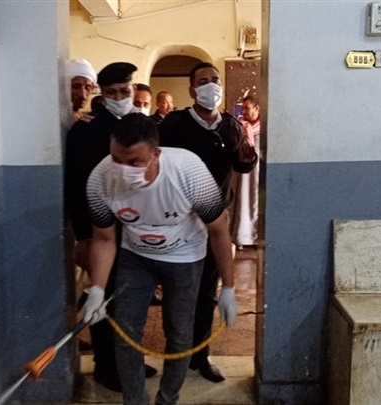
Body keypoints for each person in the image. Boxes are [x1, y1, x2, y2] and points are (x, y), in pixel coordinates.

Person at [81, 113, 238, 405]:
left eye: (135, 162)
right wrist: (97, 290)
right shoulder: (100, 180)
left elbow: (219, 231)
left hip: (185, 255)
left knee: (179, 333)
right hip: (136, 256)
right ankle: (134, 400)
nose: (123, 170)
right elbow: (103, 239)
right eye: (117, 159)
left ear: (156, 153)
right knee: (126, 333)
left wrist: (228, 287)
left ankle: (167, 400)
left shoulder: (188, 172)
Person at [158, 62, 258, 383]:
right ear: (192, 90)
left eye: (215, 80)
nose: (211, 85)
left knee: (206, 293)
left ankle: (200, 357)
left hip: (215, 223)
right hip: (180, 220)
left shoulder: (231, 126)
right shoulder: (174, 124)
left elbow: (241, 165)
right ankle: (177, 354)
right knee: (178, 292)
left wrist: (247, 159)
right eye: (203, 81)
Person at [64, 61, 156, 392]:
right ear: (102, 94)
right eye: (113, 92)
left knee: (133, 297)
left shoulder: (142, 125)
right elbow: (76, 185)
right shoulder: (87, 130)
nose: (120, 98)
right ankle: (107, 366)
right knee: (105, 297)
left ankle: (129, 360)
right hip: (101, 228)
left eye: (125, 91)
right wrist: (84, 236)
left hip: (138, 226)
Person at [230, 95, 261, 249]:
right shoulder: (239, 128)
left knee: (256, 202)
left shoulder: (264, 129)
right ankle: (242, 237)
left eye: (247, 108)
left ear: (257, 109)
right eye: (243, 108)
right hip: (241, 174)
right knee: (242, 202)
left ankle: (256, 238)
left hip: (258, 174)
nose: (244, 112)